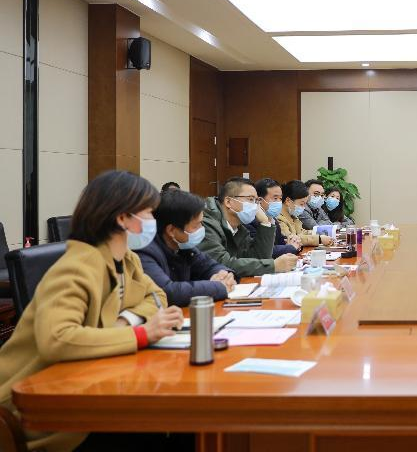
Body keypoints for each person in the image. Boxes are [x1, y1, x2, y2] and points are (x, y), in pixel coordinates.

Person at [0, 170, 186, 452]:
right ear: (123, 218)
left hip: (91, 384)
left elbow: (156, 297)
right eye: (148, 213)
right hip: (46, 407)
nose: (153, 221)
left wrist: (125, 322)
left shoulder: (127, 259)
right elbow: (58, 339)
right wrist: (141, 333)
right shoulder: (76, 267)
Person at [137, 189, 236, 307]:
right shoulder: (145, 251)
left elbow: (210, 266)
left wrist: (225, 275)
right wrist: (218, 287)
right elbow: (168, 292)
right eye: (196, 225)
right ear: (171, 230)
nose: (202, 228)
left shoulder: (184, 247)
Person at [197, 177, 297, 277]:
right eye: (250, 199)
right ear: (228, 202)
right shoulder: (206, 224)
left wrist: (265, 223)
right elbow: (222, 264)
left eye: (256, 201)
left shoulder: (239, 227)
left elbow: (259, 258)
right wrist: (273, 266)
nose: (256, 206)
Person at [247, 178, 302, 258]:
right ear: (259, 200)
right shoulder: (250, 221)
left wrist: (294, 241)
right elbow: (264, 251)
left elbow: (281, 242)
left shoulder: (273, 220)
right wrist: (291, 247)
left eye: (280, 198)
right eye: (275, 198)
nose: (279, 202)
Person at [279, 180, 334, 247]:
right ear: (288, 201)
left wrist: (320, 234)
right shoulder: (279, 218)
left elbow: (302, 232)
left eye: (305, 204)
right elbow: (291, 239)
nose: (304, 207)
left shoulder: (293, 215)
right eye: (301, 204)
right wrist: (319, 239)